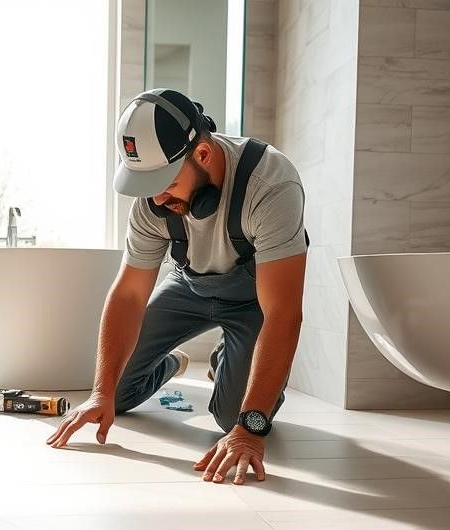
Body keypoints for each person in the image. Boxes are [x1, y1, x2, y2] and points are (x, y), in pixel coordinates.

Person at [47, 88, 307, 486]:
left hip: (254, 300)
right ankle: (171, 364)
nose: (156, 196)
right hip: (189, 288)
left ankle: (232, 359)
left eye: (164, 181)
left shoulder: (269, 184)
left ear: (202, 154)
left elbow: (283, 312)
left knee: (230, 418)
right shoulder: (151, 205)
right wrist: (100, 392)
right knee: (115, 395)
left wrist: (251, 428)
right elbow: (129, 294)